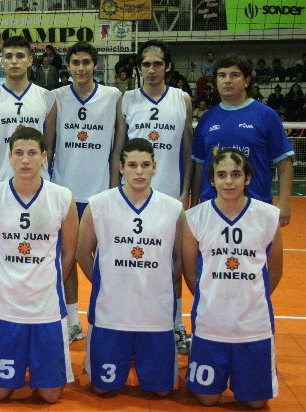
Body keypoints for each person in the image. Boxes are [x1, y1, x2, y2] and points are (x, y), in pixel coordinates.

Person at [77, 138, 184, 396]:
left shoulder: (173, 209)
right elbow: (82, 253)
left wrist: (160, 284)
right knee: (102, 389)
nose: (139, 172)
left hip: (155, 314)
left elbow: (181, 258)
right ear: (121, 167)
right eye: (132, 165)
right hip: (111, 312)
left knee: (161, 392)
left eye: (145, 165)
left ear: (154, 167)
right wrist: (105, 282)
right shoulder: (98, 204)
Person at [0, 127, 78, 403]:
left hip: (46, 307)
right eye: (19, 153)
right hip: (4, 305)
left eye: (32, 153)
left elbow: (68, 253)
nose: (25, 160)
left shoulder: (62, 197)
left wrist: (47, 283)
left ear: (44, 157)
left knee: (50, 396)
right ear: (9, 156)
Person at [110, 39, 193, 354]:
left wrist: (185, 192)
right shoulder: (128, 99)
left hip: (169, 193)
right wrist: (115, 191)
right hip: (131, 195)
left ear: (168, 66)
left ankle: (176, 325)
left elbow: (187, 149)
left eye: (158, 64)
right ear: (139, 68)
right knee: (132, 258)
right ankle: (129, 321)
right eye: (146, 64)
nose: (152, 70)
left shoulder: (181, 99)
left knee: (172, 260)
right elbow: (119, 148)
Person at [183, 148, 283, 409]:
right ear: (212, 179)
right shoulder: (195, 217)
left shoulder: (267, 215)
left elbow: (275, 271)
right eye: (222, 175)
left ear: (247, 178)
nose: (229, 181)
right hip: (210, 322)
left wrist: (251, 298)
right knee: (206, 399)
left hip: (253, 323)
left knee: (256, 403)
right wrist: (210, 298)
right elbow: (190, 271)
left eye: (236, 174)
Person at [52, 41, 121, 345]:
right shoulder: (56, 97)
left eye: (86, 62)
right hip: (65, 192)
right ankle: (73, 322)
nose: (81, 68)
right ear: (68, 67)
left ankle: (108, 315)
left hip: (99, 193)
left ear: (96, 65)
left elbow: (117, 146)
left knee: (105, 258)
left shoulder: (113, 96)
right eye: (75, 63)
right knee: (66, 258)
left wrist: (114, 187)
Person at [191, 52, 294, 229]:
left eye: (234, 75)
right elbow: (199, 167)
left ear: (247, 81)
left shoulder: (266, 115)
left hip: (257, 207)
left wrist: (284, 201)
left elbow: (284, 161)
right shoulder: (207, 119)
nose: (227, 80)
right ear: (216, 81)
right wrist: (194, 205)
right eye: (222, 75)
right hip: (212, 209)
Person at [0, 36, 56, 186]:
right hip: (2, 181)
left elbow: (49, 147)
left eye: (20, 56)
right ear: (2, 62)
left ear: (30, 60)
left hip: (39, 181)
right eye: (8, 57)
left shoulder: (47, 97)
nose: (14, 61)